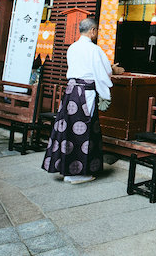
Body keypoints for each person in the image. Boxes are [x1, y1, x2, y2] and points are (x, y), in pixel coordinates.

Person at [42, 17, 115, 183]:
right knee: (84, 129)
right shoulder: (94, 50)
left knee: (68, 129)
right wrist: (110, 79)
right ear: (92, 31)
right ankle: (78, 173)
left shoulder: (72, 48)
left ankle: (66, 169)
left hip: (71, 91)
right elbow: (104, 72)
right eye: (96, 31)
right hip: (86, 93)